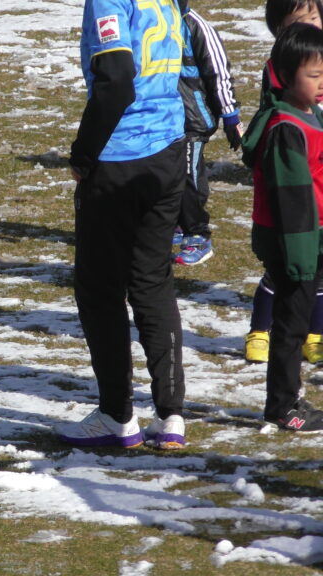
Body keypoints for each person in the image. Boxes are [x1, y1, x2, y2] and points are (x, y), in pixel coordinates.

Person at [58, 0, 187, 450]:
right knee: (153, 280)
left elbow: (116, 79)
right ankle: (171, 413)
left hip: (121, 157)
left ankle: (116, 414)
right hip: (169, 148)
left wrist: (83, 152)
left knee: (100, 290)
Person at [240, 23, 323, 432]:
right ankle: (282, 405)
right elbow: (292, 203)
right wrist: (303, 256)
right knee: (291, 325)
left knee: (299, 318)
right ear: (287, 76)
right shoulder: (286, 128)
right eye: (314, 75)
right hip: (294, 242)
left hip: (310, 237)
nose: (322, 83)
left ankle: (290, 397)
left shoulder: (311, 114)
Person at [173, 1, 243, 266]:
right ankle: (176, 224)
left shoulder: (196, 26)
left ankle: (198, 234)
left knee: (188, 174)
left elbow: (219, 73)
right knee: (167, 173)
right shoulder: (154, 20)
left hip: (193, 117)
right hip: (163, 117)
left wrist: (230, 116)